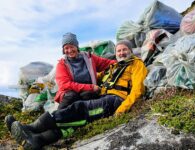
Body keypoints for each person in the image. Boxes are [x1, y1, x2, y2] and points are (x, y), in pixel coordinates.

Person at [5, 40, 148, 149]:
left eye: (125, 50)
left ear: (130, 51)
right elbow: (98, 76)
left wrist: (123, 108)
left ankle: (31, 128)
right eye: (119, 50)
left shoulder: (136, 64)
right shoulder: (114, 67)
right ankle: (37, 140)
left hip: (115, 101)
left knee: (79, 109)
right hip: (104, 98)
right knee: (74, 123)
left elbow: (138, 89)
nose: (121, 53)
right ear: (115, 53)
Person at [55, 32, 116, 109]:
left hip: (87, 92)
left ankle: (84, 116)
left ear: (77, 46)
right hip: (70, 93)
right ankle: (57, 116)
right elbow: (65, 84)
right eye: (66, 48)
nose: (69, 50)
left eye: (72, 47)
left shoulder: (89, 58)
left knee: (88, 94)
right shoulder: (62, 64)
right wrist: (90, 87)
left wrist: (121, 62)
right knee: (72, 96)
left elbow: (105, 63)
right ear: (63, 50)